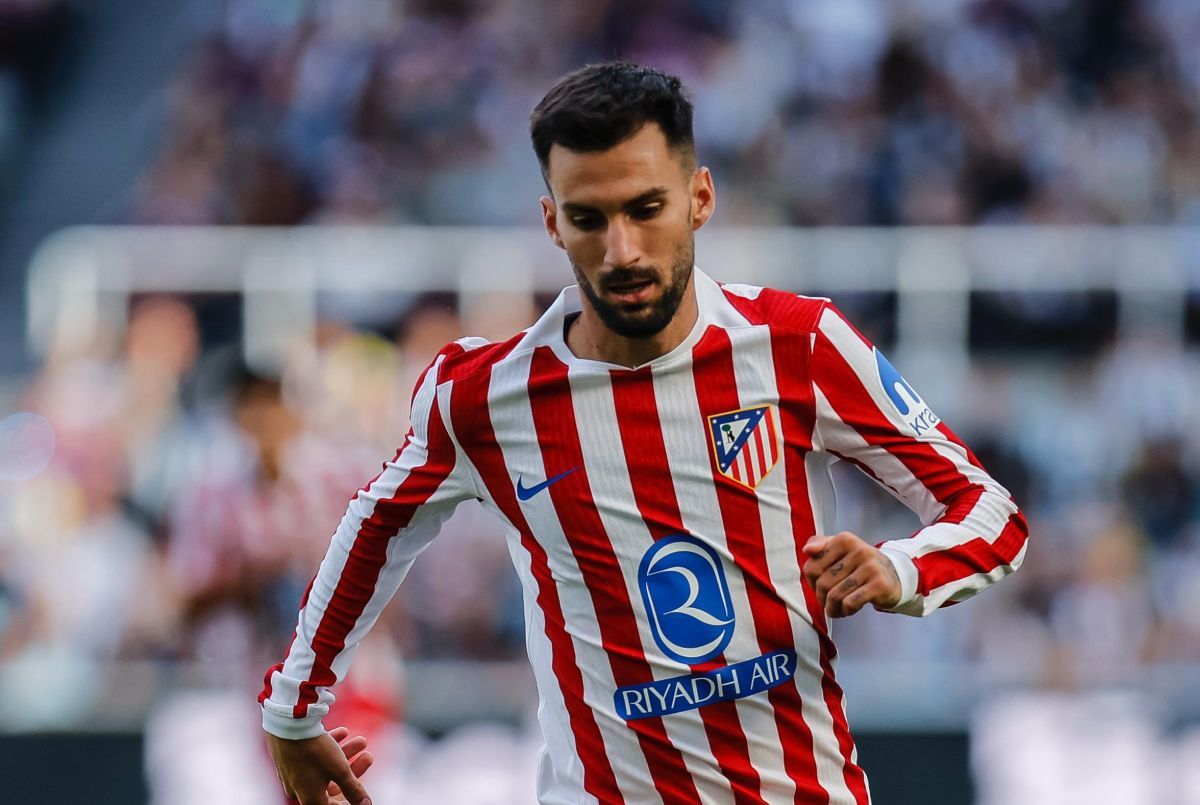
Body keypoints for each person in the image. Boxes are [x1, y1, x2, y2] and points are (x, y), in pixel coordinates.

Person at [260, 62, 1029, 805]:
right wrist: (293, 707)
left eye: (645, 208)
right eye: (590, 219)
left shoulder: (800, 344)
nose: (621, 250)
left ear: (700, 197)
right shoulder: (483, 398)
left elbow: (989, 513)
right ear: (552, 221)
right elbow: (377, 524)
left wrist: (900, 571)